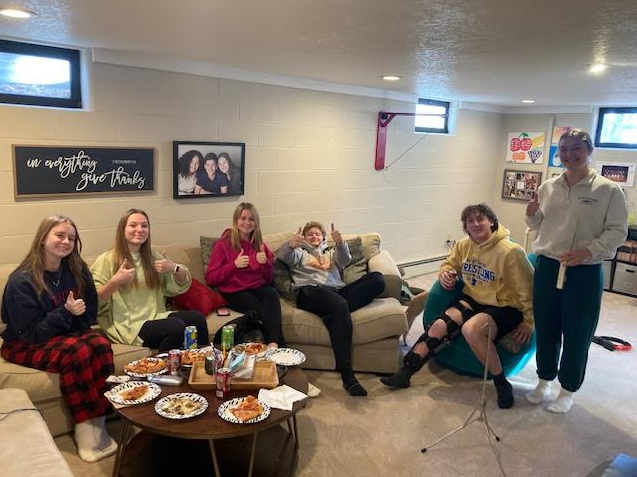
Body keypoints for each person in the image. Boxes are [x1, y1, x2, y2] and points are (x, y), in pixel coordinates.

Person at [381, 204, 534, 409]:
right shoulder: (464, 245)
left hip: (504, 306)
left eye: (481, 219)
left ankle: (501, 383)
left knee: (471, 329)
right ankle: (406, 372)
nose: (476, 224)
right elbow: (449, 264)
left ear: (491, 221)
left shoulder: (511, 251)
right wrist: (445, 273)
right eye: (470, 221)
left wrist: (529, 321)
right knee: (438, 326)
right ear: (466, 227)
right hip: (474, 298)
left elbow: (529, 288)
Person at [525, 130, 628, 413]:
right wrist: (532, 212)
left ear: (589, 151)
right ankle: (544, 380)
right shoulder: (548, 186)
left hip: (584, 270)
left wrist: (590, 250)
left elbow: (618, 231)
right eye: (563, 149)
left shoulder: (607, 190)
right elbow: (537, 224)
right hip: (547, 265)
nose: (569, 155)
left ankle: (567, 389)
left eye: (575, 149)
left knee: (578, 331)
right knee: (545, 326)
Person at [0, 215, 117, 463]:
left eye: (71, 238)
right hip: (23, 342)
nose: (66, 241)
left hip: (63, 333)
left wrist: (77, 325)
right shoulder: (21, 280)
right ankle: (85, 427)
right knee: (78, 352)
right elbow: (29, 332)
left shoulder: (76, 269)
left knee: (101, 344)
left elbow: (90, 310)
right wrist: (64, 312)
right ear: (43, 238)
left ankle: (101, 418)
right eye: (59, 235)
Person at [278, 221, 385, 397]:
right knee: (340, 305)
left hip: (336, 292)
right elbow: (283, 256)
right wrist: (291, 244)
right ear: (304, 238)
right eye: (310, 234)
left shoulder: (332, 252)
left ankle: (333, 314)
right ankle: (347, 374)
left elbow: (345, 259)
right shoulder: (299, 253)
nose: (314, 236)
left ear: (323, 237)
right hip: (309, 292)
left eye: (317, 234)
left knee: (377, 279)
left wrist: (341, 243)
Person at [91, 209, 208, 351]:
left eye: (144, 226)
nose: (139, 229)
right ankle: (164, 368)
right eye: (133, 225)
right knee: (175, 327)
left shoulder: (152, 256)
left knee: (198, 319)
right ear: (122, 229)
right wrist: (115, 282)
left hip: (156, 315)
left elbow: (181, 284)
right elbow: (94, 301)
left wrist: (174, 268)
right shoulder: (107, 259)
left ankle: (200, 364)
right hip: (129, 325)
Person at [205, 203, 284, 348]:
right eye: (243, 218)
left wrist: (265, 263)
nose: (247, 223)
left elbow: (268, 279)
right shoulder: (223, 244)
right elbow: (210, 278)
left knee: (272, 294)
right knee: (263, 311)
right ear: (236, 220)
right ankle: (279, 350)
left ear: (256, 223)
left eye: (251, 219)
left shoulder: (259, 244)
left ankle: (273, 345)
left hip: (257, 286)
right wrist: (234, 265)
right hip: (234, 291)